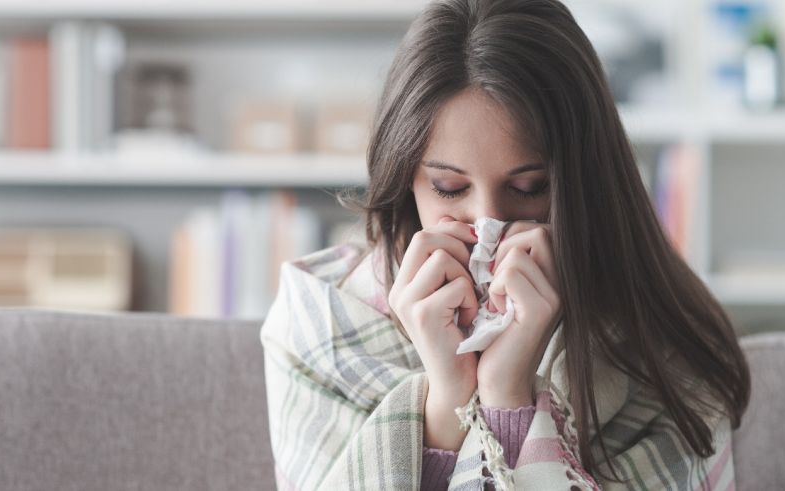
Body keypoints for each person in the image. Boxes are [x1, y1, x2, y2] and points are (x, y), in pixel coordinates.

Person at [260, 0, 750, 489]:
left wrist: (507, 396)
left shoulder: (663, 342)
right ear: (404, 178)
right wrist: (447, 401)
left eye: (529, 188)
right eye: (449, 188)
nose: (487, 226)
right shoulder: (318, 320)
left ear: (585, 183)